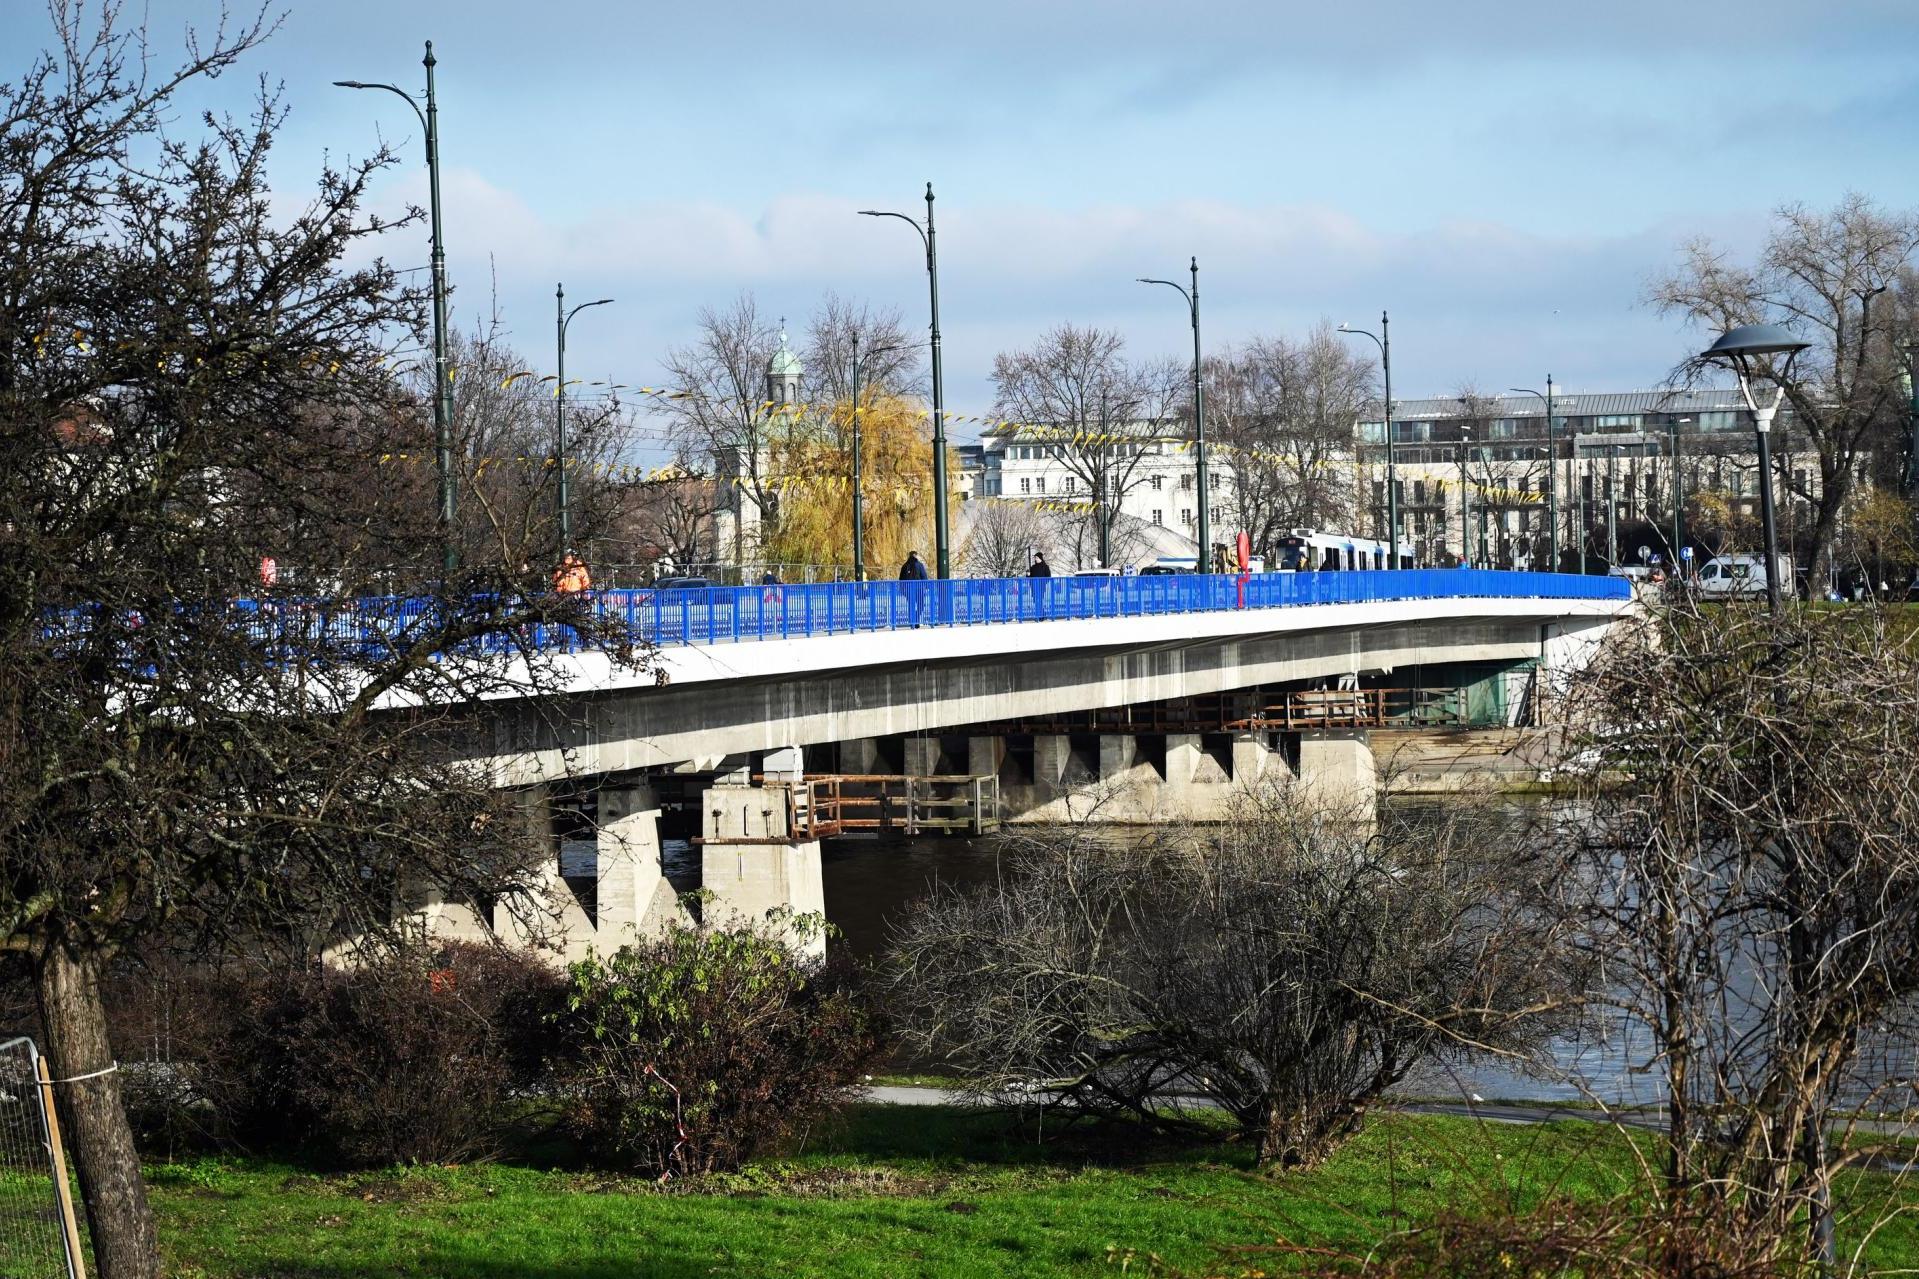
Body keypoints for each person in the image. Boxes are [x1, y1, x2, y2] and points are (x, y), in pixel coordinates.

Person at [899, 549, 929, 626]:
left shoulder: (905, 566)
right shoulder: (919, 565)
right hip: (919, 589)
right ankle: (916, 619)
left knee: (911, 606)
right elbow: (924, 576)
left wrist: (903, 590)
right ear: (916, 555)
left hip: (909, 589)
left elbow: (901, 579)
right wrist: (926, 587)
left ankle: (912, 621)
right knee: (921, 605)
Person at [1027, 551, 1052, 617]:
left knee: (1040, 600)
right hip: (1034, 586)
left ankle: (1041, 615)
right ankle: (1041, 614)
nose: (1036, 559)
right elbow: (1029, 578)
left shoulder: (1045, 567)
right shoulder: (1033, 567)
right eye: (1035, 558)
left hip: (1041, 586)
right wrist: (1028, 575)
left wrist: (1043, 583)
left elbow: (1048, 576)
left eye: (1037, 558)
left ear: (1040, 558)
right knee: (1035, 600)